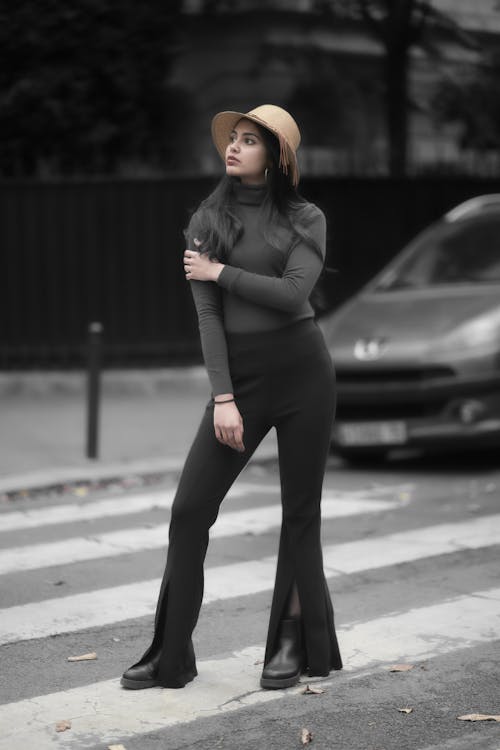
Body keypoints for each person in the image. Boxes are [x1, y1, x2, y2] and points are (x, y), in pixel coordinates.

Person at [121, 104, 343, 691]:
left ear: (277, 155)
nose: (235, 147)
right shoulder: (208, 218)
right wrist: (223, 396)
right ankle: (171, 650)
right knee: (189, 511)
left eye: (250, 140)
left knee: (299, 514)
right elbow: (207, 317)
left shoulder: (306, 218)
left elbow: (294, 294)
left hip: (303, 374)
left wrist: (219, 272)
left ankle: (292, 641)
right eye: (233, 139)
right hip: (237, 381)